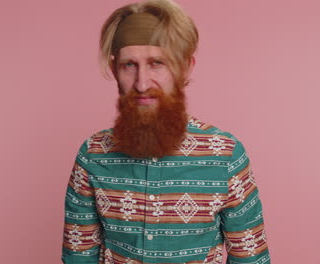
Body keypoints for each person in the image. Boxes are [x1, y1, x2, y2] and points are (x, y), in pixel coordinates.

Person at [61, 0, 271, 263]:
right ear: (115, 69)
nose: (142, 83)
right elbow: (78, 255)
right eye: (130, 65)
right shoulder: (92, 154)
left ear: (185, 67)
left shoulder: (226, 156)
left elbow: (251, 258)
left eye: (157, 62)